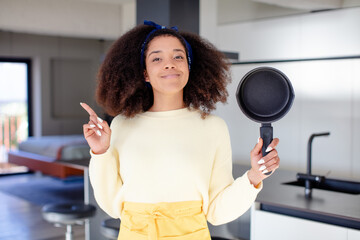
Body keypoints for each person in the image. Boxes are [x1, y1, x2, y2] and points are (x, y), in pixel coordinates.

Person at [81, 20, 280, 240]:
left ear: (189, 67)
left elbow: (217, 211)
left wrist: (254, 176)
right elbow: (110, 204)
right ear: (145, 73)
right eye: (157, 58)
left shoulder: (213, 127)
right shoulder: (121, 125)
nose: (170, 64)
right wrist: (100, 152)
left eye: (178, 56)